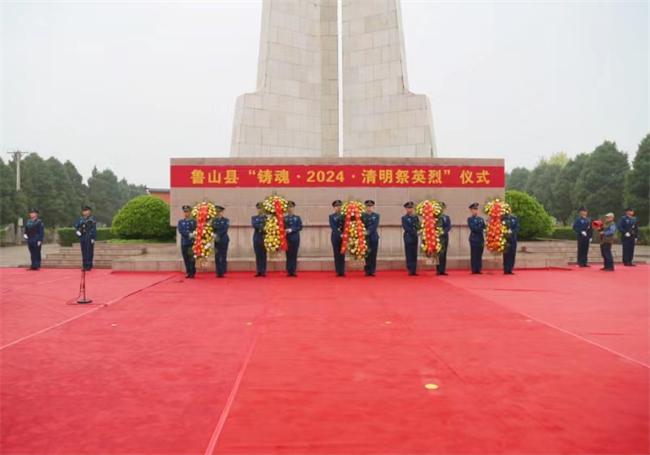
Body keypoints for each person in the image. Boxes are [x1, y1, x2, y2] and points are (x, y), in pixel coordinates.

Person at [177, 205, 197, 278]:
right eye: (185, 212)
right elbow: (181, 231)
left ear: (190, 212)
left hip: (191, 243)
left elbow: (196, 229)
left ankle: (192, 272)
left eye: (187, 212)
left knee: (191, 258)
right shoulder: (181, 222)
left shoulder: (193, 221)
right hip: (184, 242)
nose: (186, 213)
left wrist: (194, 234)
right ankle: (188, 272)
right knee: (186, 258)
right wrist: (189, 234)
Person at [75, 206, 97, 271]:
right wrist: (77, 232)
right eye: (84, 211)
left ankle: (89, 265)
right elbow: (76, 226)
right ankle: (84, 265)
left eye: (87, 211)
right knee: (83, 251)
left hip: (89, 236)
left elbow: (94, 229)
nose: (86, 212)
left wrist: (93, 238)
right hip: (82, 236)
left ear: (89, 211)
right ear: (82, 212)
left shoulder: (92, 219)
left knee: (89, 251)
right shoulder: (80, 219)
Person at [284, 201, 303, 277]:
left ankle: (293, 270)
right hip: (287, 238)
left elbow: (300, 227)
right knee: (288, 254)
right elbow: (282, 227)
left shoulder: (297, 218)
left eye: (291, 207)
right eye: (289, 207)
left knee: (294, 254)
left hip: (295, 238)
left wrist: (292, 229)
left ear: (294, 208)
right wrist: (285, 230)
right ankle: (289, 270)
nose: (290, 208)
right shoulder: (284, 218)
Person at [362, 200, 380, 276]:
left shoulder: (376, 215)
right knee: (366, 254)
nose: (369, 208)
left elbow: (375, 226)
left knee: (373, 254)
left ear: (373, 207)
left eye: (371, 206)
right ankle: (367, 270)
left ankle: (372, 271)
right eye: (368, 206)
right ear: (366, 207)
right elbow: (361, 225)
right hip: (365, 238)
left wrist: (368, 232)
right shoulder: (362, 216)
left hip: (374, 237)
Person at [402, 201, 420, 276]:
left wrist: (420, 230)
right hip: (408, 237)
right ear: (406, 209)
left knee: (414, 253)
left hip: (415, 237)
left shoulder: (415, 217)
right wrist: (415, 232)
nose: (410, 209)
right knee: (409, 253)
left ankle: (414, 269)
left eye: (411, 208)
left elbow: (418, 225)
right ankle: (410, 269)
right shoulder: (404, 218)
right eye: (408, 208)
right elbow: (406, 228)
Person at [467, 202, 485, 274]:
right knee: (474, 254)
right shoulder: (470, 219)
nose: (475, 211)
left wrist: (481, 228)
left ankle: (479, 269)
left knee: (479, 254)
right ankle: (474, 269)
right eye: (474, 209)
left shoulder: (481, 219)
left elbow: (484, 227)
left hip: (480, 238)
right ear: (471, 210)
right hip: (474, 239)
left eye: (476, 209)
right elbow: (473, 228)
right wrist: (480, 228)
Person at [211, 205, 229, 278]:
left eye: (220, 212)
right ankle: (218, 271)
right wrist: (212, 234)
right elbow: (212, 229)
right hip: (217, 240)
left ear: (222, 212)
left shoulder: (226, 220)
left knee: (223, 255)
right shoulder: (214, 221)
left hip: (224, 240)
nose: (219, 213)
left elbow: (224, 230)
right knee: (217, 256)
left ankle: (223, 270)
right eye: (218, 212)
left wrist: (216, 234)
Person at [329, 200, 345, 277]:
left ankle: (342, 271)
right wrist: (340, 234)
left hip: (344, 237)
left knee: (342, 254)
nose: (338, 207)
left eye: (339, 206)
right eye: (336, 206)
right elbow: (333, 227)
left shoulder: (345, 216)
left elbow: (346, 225)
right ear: (334, 207)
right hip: (335, 237)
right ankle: (338, 271)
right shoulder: (331, 216)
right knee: (336, 254)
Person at [252, 202, 267, 277]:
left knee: (263, 255)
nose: (259, 210)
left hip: (264, 238)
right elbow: (254, 225)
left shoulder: (266, 218)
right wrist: (262, 227)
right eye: (258, 208)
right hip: (257, 238)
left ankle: (263, 271)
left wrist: (262, 228)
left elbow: (268, 227)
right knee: (258, 255)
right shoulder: (254, 218)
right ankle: (259, 271)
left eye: (261, 208)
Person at [437, 202, 451, 276]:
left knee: (444, 253)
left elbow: (449, 226)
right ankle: (438, 270)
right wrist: (440, 232)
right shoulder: (436, 217)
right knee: (439, 254)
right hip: (438, 237)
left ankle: (443, 270)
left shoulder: (447, 217)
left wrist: (444, 231)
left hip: (445, 236)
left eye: (443, 207)